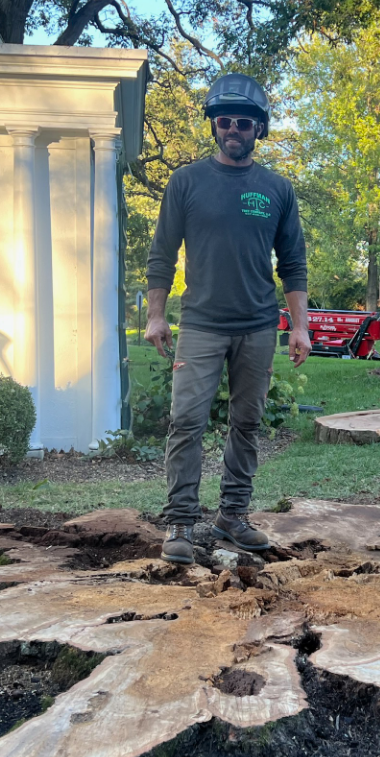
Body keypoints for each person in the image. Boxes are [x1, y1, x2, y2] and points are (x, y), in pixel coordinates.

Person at [144, 74, 310, 565]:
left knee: (247, 421)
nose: (233, 128)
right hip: (200, 324)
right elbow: (161, 254)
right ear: (214, 126)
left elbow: (293, 263)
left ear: (258, 128)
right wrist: (156, 315)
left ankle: (233, 516)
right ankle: (180, 521)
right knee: (186, 421)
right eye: (224, 121)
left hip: (258, 326)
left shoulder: (277, 189)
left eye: (243, 122)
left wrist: (299, 326)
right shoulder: (187, 182)